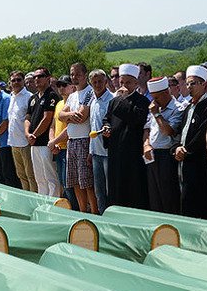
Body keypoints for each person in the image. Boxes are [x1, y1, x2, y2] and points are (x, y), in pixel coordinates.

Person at [101, 63, 150, 209]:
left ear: (136, 83)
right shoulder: (113, 101)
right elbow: (107, 119)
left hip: (132, 153)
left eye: (128, 82)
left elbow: (136, 119)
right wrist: (106, 128)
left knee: (132, 190)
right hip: (115, 151)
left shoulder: (143, 102)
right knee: (115, 188)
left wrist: (122, 100)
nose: (123, 85)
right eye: (121, 82)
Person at [173, 65, 207, 219]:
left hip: (198, 163)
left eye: (193, 83)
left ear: (203, 83)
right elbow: (179, 133)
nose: (189, 87)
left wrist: (186, 151)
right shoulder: (188, 108)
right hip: (182, 163)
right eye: (188, 83)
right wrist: (176, 148)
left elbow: (202, 133)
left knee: (198, 204)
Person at [59, 62, 97, 213]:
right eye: (72, 74)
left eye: (77, 74)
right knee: (74, 181)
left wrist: (68, 116)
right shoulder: (72, 95)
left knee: (87, 183)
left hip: (83, 141)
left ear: (85, 75)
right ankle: (82, 211)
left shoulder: (89, 92)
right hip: (72, 142)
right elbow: (61, 115)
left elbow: (81, 116)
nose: (74, 77)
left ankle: (94, 212)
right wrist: (69, 116)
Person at [144, 76, 183, 213]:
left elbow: (168, 131)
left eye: (157, 97)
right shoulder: (154, 106)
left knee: (168, 196)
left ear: (166, 92)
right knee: (155, 197)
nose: (154, 101)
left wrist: (157, 114)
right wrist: (146, 145)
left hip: (167, 155)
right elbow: (147, 128)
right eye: (152, 97)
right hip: (152, 154)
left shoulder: (177, 108)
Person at [26, 67, 61, 196]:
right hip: (34, 143)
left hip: (46, 142)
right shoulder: (33, 98)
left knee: (50, 177)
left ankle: (54, 203)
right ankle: (43, 201)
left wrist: (34, 134)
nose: (37, 79)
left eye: (40, 76)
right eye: (35, 77)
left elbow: (47, 118)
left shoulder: (51, 95)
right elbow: (27, 118)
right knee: (39, 178)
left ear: (48, 78)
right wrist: (27, 133)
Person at [88, 69, 115, 213]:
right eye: (94, 82)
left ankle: (112, 216)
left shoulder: (112, 100)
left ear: (106, 82)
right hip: (96, 153)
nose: (97, 85)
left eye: (100, 81)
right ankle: (102, 216)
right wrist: (90, 152)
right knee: (99, 190)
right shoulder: (93, 101)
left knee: (110, 189)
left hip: (108, 152)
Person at [49, 75, 78, 208]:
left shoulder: (73, 103)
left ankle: (74, 208)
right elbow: (53, 125)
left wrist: (54, 141)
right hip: (58, 148)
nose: (61, 88)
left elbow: (70, 129)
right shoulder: (60, 104)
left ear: (72, 86)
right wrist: (52, 142)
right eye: (59, 85)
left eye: (64, 85)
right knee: (62, 181)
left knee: (70, 183)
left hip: (68, 147)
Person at [7, 71, 37, 192]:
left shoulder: (29, 97)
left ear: (23, 81)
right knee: (21, 175)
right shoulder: (11, 97)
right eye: (13, 80)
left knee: (31, 175)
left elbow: (31, 119)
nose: (16, 83)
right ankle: (26, 198)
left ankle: (34, 199)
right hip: (14, 142)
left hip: (25, 143)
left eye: (19, 80)